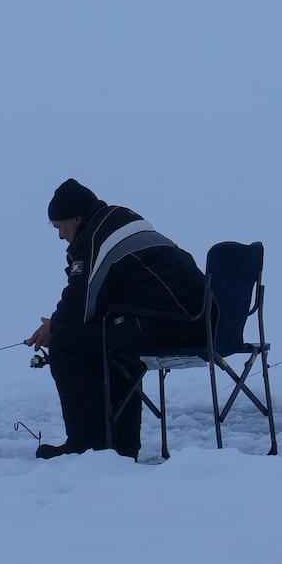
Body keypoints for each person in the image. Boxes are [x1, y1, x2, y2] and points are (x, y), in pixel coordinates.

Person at [22, 178, 208, 459]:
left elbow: (81, 303)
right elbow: (100, 296)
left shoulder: (95, 237)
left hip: (177, 323)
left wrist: (54, 326)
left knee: (66, 342)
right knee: (111, 342)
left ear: (77, 217)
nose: (61, 236)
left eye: (61, 227)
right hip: (194, 320)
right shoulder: (118, 220)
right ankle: (120, 447)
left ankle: (82, 445)